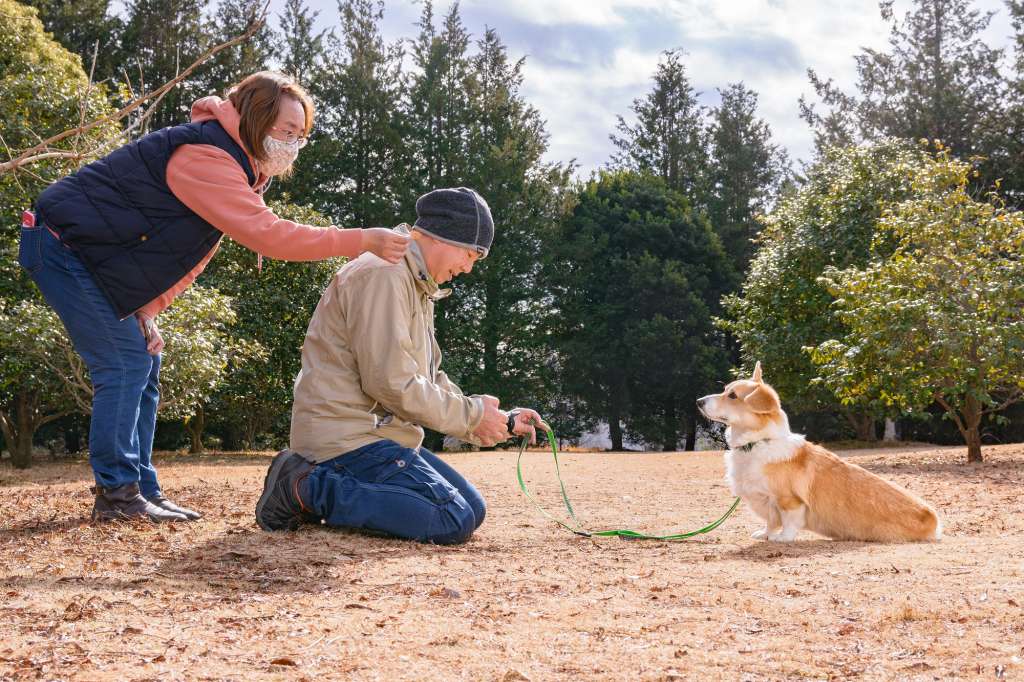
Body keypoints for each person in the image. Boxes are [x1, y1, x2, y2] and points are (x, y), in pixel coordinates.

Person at [18, 71, 409, 523]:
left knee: (144, 359)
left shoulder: (234, 162)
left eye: (301, 135)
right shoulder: (203, 156)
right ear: (255, 120)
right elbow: (270, 236)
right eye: (286, 131)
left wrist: (148, 310)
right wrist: (362, 238)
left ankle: (141, 488)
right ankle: (117, 496)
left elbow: (176, 252)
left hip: (95, 257)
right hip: (61, 246)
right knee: (124, 362)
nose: (294, 144)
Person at [255, 187, 548, 544]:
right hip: (345, 440)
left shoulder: (415, 282)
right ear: (445, 238)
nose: (468, 268)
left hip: (380, 436)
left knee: (472, 507)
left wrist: (496, 420)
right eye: (471, 255)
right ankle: (304, 486)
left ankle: (328, 494)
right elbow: (391, 383)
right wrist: (471, 415)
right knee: (450, 518)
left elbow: (426, 377)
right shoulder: (384, 274)